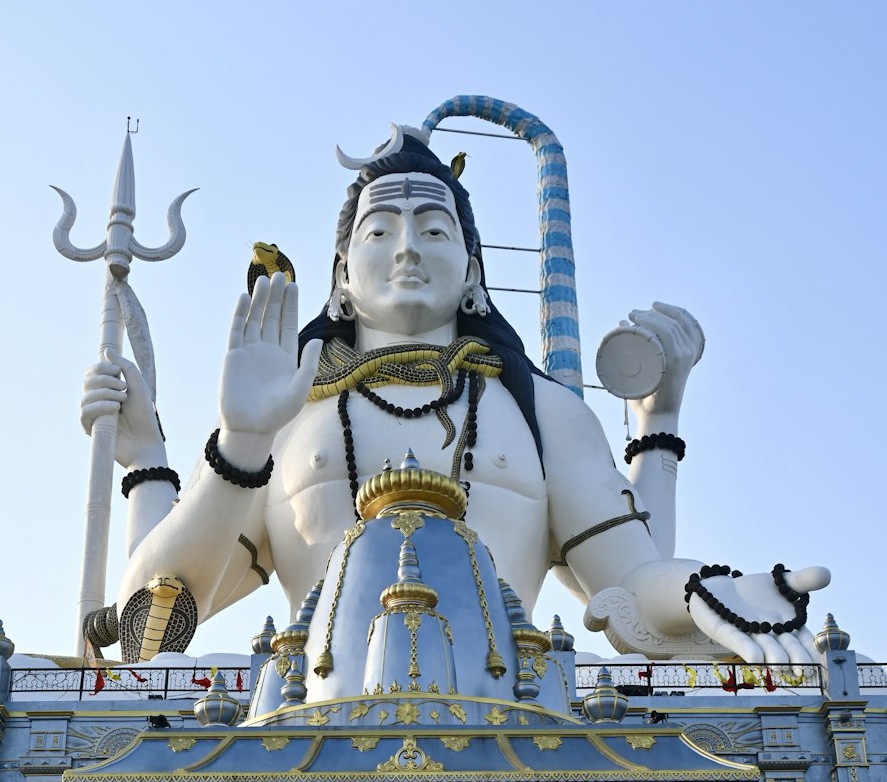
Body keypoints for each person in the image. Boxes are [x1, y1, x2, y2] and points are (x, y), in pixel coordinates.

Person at [82, 134, 828, 665]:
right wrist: (238, 444)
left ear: (473, 271)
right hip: (305, 739)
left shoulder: (542, 411)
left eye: (434, 228)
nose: (407, 246)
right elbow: (154, 623)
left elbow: (630, 587)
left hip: (511, 743)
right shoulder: (290, 412)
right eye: (381, 229)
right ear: (342, 273)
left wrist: (705, 589)